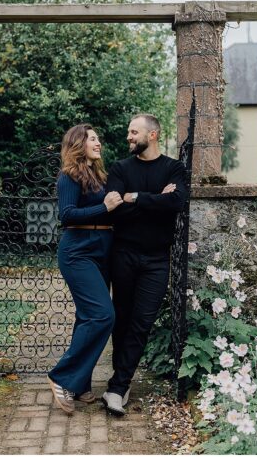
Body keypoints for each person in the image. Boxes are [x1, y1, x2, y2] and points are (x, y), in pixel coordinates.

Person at [102, 113, 187, 416]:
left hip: (156, 259)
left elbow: (177, 203)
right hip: (123, 254)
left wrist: (136, 198)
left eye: (133, 132)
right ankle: (121, 383)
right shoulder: (120, 168)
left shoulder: (174, 168)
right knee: (121, 319)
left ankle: (116, 386)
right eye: (128, 132)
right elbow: (114, 213)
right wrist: (155, 202)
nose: (129, 137)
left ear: (152, 135)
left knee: (142, 322)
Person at [47, 123, 124, 414]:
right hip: (78, 251)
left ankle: (79, 385)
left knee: (87, 317)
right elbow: (67, 216)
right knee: (104, 315)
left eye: (98, 138)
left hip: (102, 250)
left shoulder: (98, 175)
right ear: (79, 143)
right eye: (93, 138)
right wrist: (104, 207)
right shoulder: (69, 177)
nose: (99, 142)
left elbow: (112, 205)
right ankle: (61, 377)